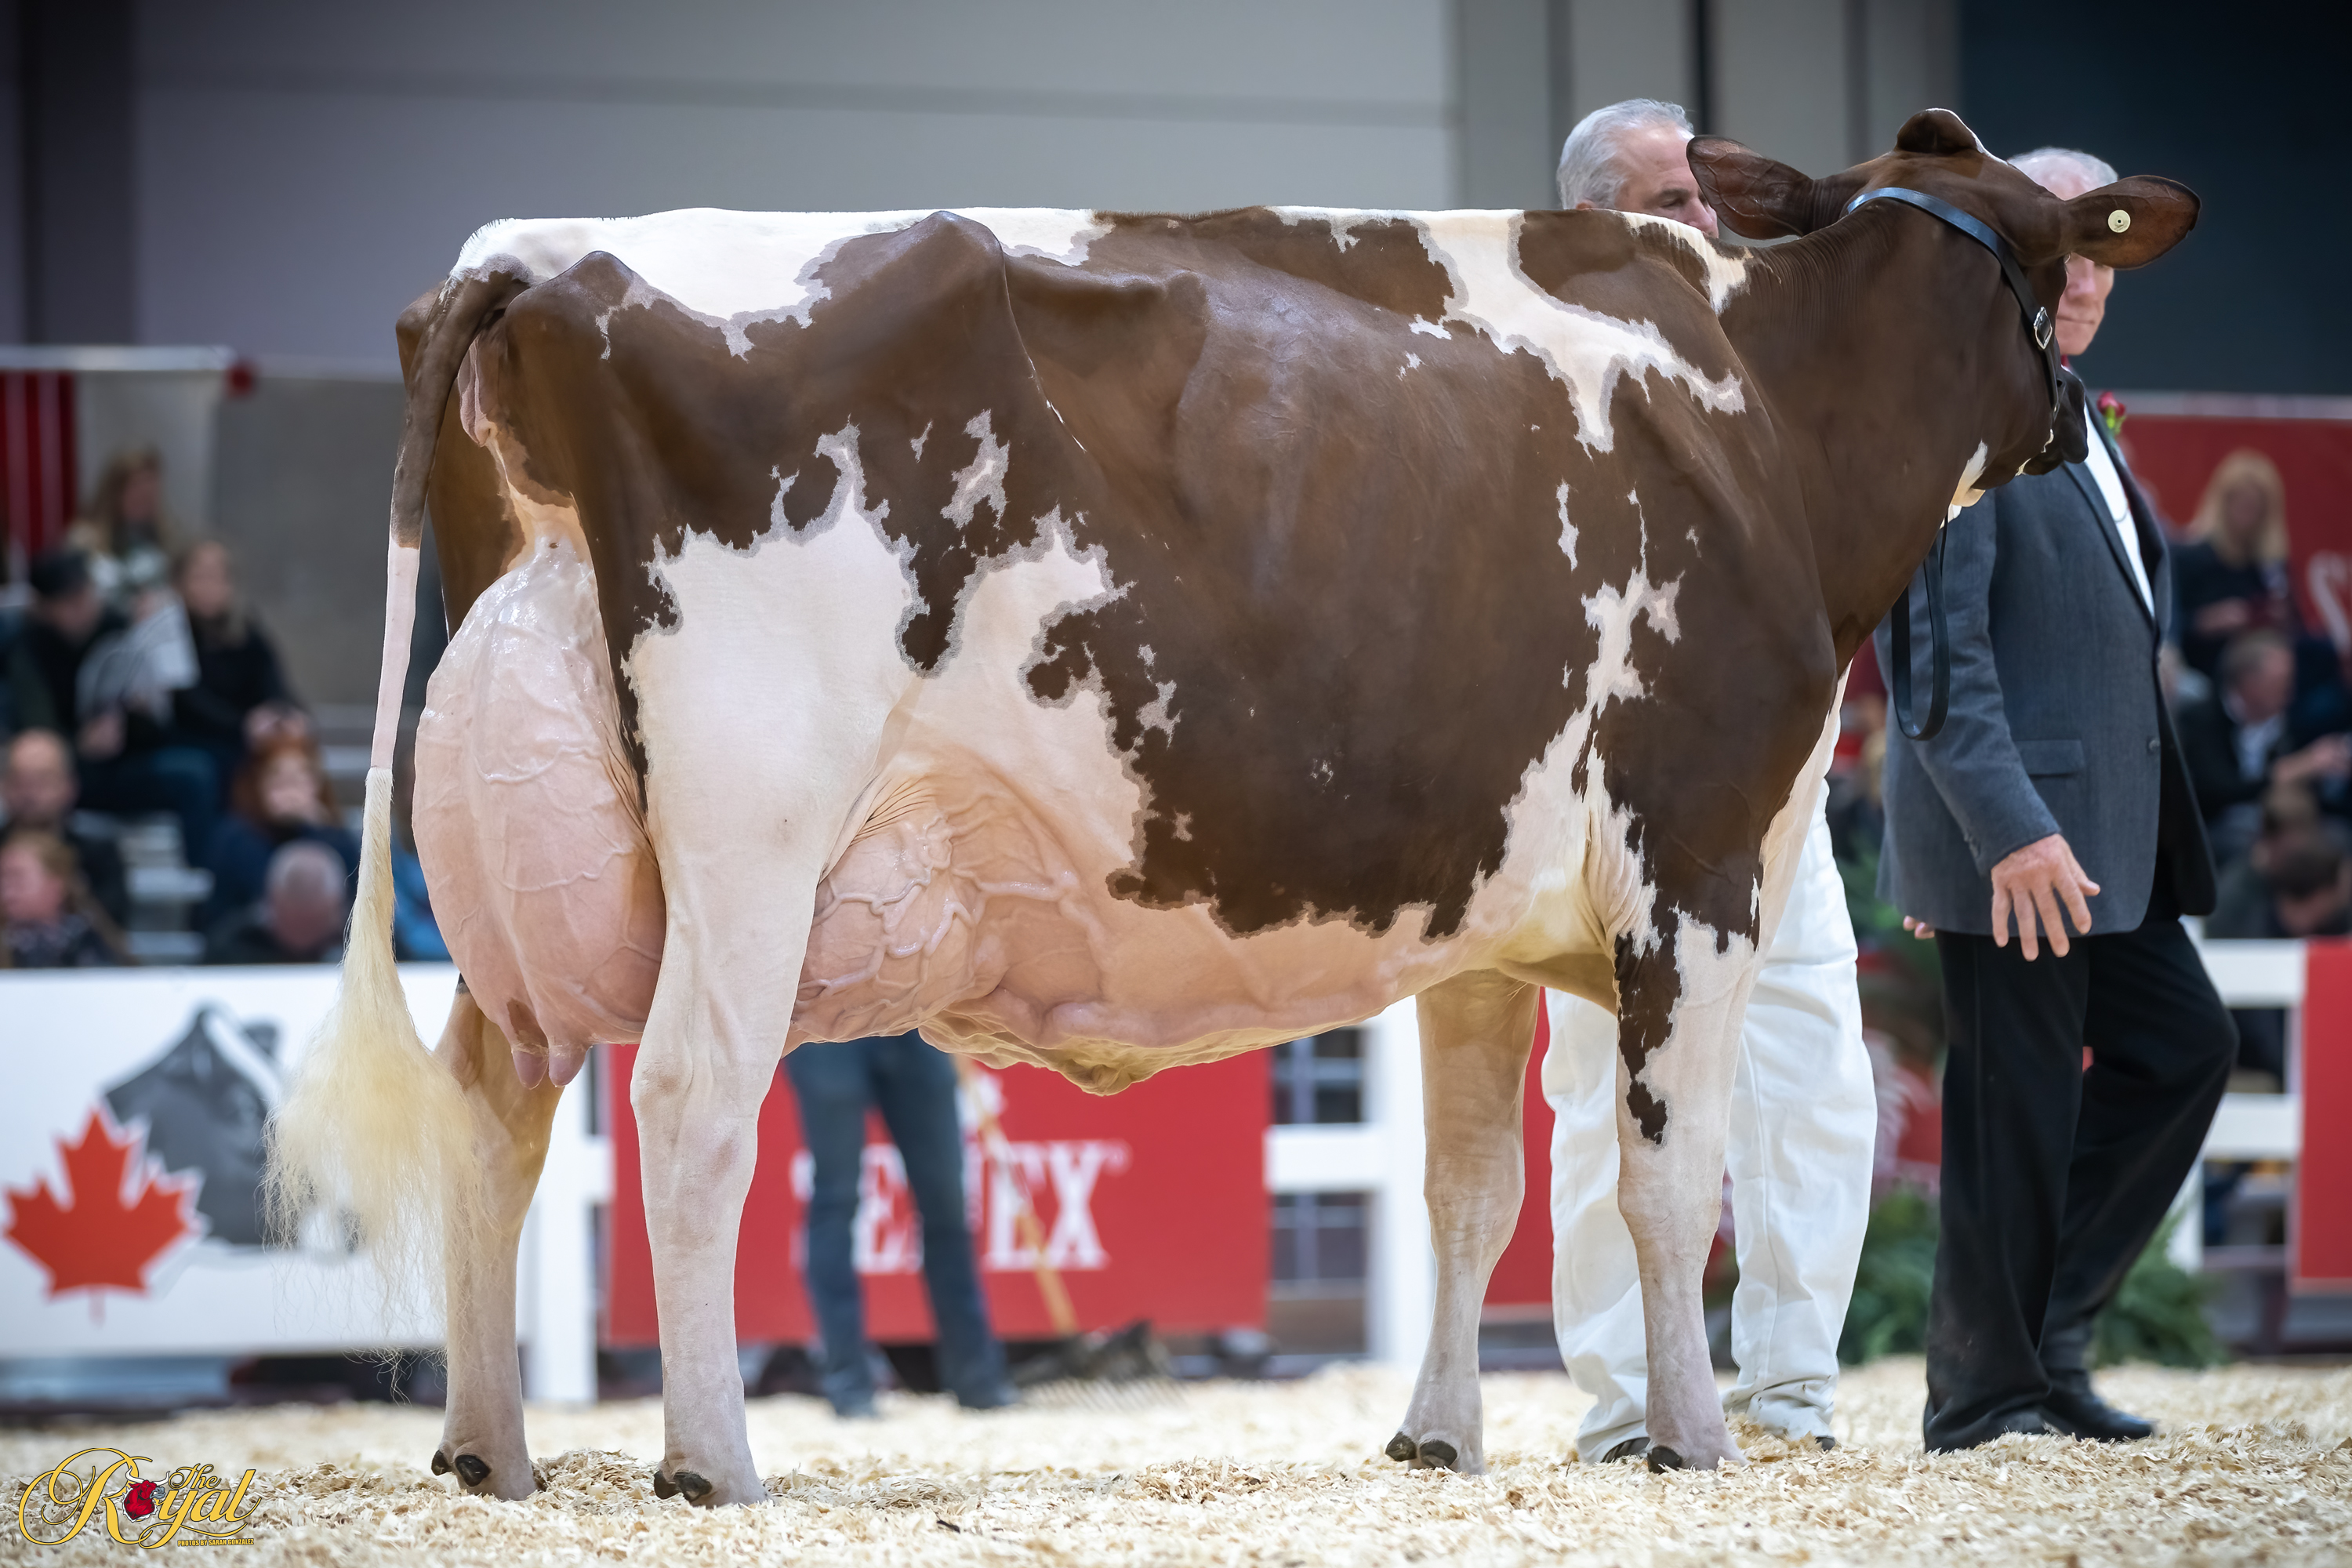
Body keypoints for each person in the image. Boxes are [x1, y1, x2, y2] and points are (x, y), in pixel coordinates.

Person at [1875, 147, 2236, 1451]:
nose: (2083, 277)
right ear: (2005, 256)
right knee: (2012, 1115)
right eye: (2059, 248)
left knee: (2186, 1050)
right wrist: (1999, 828)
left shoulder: (2070, 406)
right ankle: (1985, 1400)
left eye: (2103, 252)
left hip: (2109, 837)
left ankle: (2048, 1338)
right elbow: (1934, 651)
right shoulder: (1962, 405)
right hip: (2022, 836)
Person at [1542, 97, 1877, 1462]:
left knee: (1813, 1066)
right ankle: (1626, 1408)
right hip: (1595, 795)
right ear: (1589, 218)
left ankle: (1792, 1394)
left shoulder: (1766, 347)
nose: (1700, 222)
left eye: (1703, 198)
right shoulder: (1538, 357)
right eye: (1664, 201)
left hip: (1768, 773)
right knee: (1600, 1092)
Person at [782, 1032, 1017, 1417]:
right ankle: (849, 1387)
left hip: (915, 1024)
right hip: (828, 1025)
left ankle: (979, 1382)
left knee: (946, 1204)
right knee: (835, 1201)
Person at [5, 550, 217, 858]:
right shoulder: (28, 651)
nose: (84, 608)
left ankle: (201, 874)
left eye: (87, 594)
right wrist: (80, 745)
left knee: (198, 771)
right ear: (46, 608)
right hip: (68, 772)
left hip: (120, 763)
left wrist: (140, 715)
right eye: (70, 601)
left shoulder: (117, 629)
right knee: (40, 780)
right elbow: (37, 734)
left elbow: (157, 729)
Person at [2174, 629, 2352, 862]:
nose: (2290, 690)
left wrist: (2323, 770)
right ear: (2249, 681)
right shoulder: (2200, 720)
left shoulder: (2285, 721)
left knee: (2339, 835)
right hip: (2216, 827)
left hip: (2279, 823)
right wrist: (2285, 772)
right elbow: (2216, 790)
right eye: (2281, 681)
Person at [170, 539, 307, 786]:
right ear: (179, 583)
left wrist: (284, 714)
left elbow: (272, 680)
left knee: (292, 750)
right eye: (200, 577)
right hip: (194, 738)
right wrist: (244, 725)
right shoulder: (172, 637)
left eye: (218, 577)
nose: (210, 587)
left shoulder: (245, 631)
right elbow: (187, 700)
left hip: (247, 735)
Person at [2171, 449, 2296, 684]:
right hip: (2203, 670)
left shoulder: (2269, 566)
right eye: (2243, 505)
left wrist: (2274, 618)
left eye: (2256, 509)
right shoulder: (2190, 558)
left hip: (2258, 673)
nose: (2247, 517)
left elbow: (2295, 626)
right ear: (2223, 503)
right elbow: (2170, 627)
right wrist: (2207, 622)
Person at [205, 735, 358, 923]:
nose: (290, 794)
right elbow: (267, 892)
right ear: (260, 786)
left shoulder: (335, 837)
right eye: (279, 783)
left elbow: (347, 896)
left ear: (317, 786)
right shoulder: (235, 837)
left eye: (298, 782)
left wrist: (318, 830)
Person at [0, 729, 130, 926]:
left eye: (42, 779)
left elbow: (111, 929)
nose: (29, 792)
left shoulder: (98, 855)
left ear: (70, 786)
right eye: (18, 780)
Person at [203, 839, 349, 965]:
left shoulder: (356, 945)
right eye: (292, 921)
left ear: (338, 911)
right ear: (269, 906)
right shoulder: (231, 947)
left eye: (313, 922)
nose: (302, 939)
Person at [66, 446, 176, 608]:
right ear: (115, 491)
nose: (144, 496)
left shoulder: (169, 537)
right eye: (136, 487)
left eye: (150, 489)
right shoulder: (84, 539)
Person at [1, 827, 125, 968]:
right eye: (2, 879)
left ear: (56, 884)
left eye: (17, 878)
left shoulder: (91, 945)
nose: (6, 890)